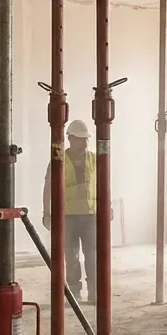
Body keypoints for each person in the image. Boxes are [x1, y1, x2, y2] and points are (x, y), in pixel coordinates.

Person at [42, 119, 98, 304]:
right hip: (68, 217)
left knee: (93, 256)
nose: (85, 143)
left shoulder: (94, 158)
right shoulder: (59, 161)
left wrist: (108, 207)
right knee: (71, 257)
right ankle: (74, 292)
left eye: (86, 139)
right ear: (71, 139)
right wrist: (47, 213)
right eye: (81, 139)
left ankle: (94, 292)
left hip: (90, 216)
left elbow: (103, 185)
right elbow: (48, 187)